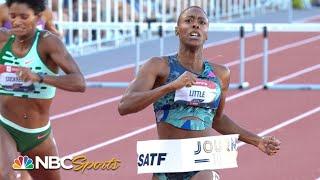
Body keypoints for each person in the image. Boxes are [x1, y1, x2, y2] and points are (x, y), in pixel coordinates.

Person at [118, 6, 281, 180]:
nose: (195, 25)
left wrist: (257, 141)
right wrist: (171, 86)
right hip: (166, 166)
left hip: (201, 165)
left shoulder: (220, 74)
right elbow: (124, 105)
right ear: (177, 30)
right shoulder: (159, 66)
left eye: (201, 22)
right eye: (188, 21)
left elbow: (217, 119)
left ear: (207, 33)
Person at [0, 0, 86, 179]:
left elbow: (79, 82)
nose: (16, 22)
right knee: (7, 174)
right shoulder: (3, 39)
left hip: (36, 134)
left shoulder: (48, 43)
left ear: (37, 17)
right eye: (13, 16)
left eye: (24, 17)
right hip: (4, 124)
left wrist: (39, 77)